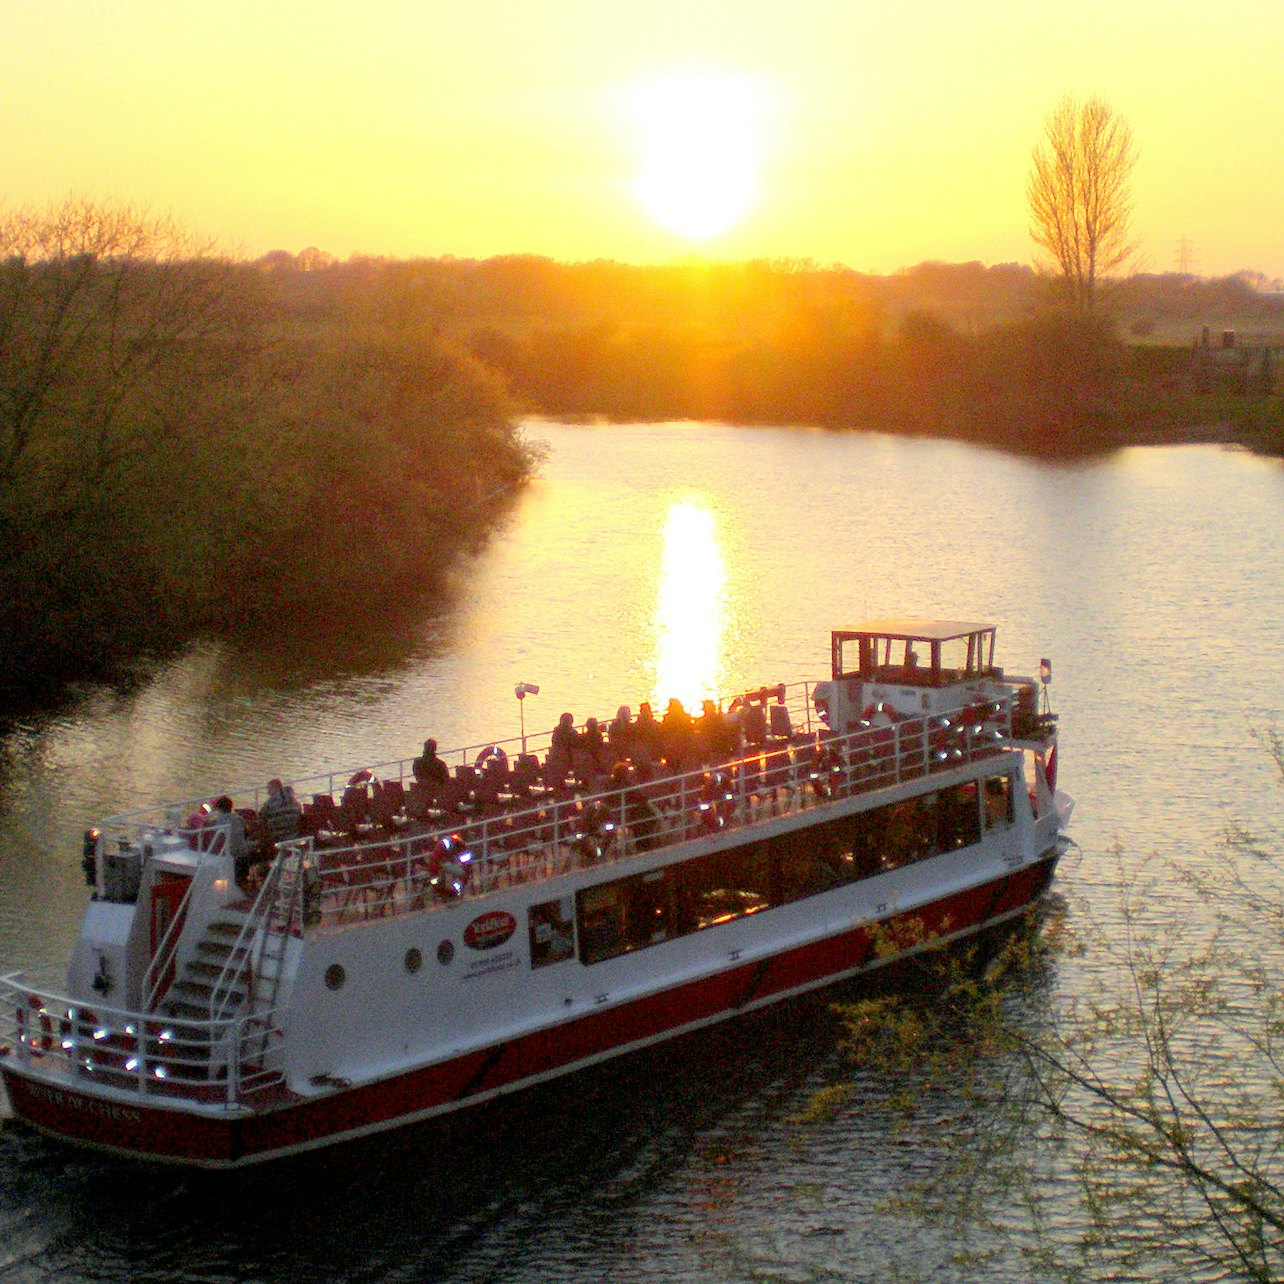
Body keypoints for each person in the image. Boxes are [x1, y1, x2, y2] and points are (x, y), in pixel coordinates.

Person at [207, 795, 250, 880]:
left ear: (219, 809)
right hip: (242, 853)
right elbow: (246, 834)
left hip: (228, 855)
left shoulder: (217, 823)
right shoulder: (239, 819)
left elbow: (214, 841)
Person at [257, 778, 302, 855]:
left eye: (269, 789)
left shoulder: (270, 802)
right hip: (293, 834)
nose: (268, 792)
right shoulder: (295, 801)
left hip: (278, 836)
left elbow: (261, 817)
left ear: (275, 788)